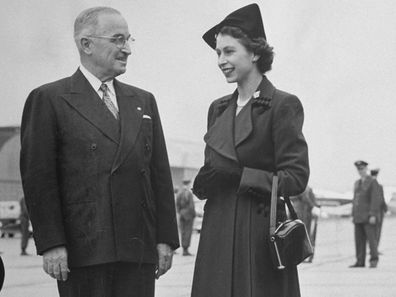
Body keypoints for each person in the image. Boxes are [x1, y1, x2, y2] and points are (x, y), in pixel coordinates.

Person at [20, 7, 179, 297]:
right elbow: (39, 180)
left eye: (129, 40)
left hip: (137, 250)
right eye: (118, 39)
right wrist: (52, 243)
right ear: (86, 44)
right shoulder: (49, 99)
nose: (127, 49)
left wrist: (166, 238)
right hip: (84, 251)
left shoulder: (143, 101)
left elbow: (159, 174)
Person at [191, 4, 309, 297]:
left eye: (229, 51)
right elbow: (214, 167)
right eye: (218, 53)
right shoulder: (218, 108)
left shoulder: (282, 104)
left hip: (258, 234)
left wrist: (242, 175)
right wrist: (204, 180)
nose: (221, 60)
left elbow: (295, 178)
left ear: (255, 53)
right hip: (217, 229)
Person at [350, 161, 381, 268]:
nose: (360, 171)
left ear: (366, 169)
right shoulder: (357, 183)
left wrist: (373, 214)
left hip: (368, 216)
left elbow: (375, 199)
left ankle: (374, 259)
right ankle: (360, 261)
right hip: (358, 216)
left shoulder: (372, 182)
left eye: (362, 169)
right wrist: (353, 214)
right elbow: (355, 200)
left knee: (371, 239)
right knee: (359, 240)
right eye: (358, 169)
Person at [176, 179, 196, 256]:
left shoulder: (179, 193)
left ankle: (184, 248)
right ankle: (185, 250)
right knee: (188, 232)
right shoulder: (189, 193)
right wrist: (193, 214)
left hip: (182, 214)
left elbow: (177, 205)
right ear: (188, 184)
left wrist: (180, 212)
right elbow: (191, 206)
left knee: (183, 232)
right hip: (188, 215)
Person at [370, 168, 387, 250]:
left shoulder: (368, 185)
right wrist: (385, 209)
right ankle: (374, 249)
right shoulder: (379, 186)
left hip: (372, 212)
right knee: (377, 231)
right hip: (378, 212)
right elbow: (381, 199)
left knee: (372, 231)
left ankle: (373, 249)